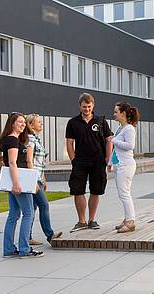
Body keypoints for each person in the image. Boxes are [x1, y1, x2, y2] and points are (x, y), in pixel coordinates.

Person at [66, 93, 113, 233]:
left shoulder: (100, 121)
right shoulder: (73, 122)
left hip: (98, 161)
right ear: (79, 106)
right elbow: (69, 143)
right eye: (84, 106)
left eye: (89, 106)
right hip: (80, 161)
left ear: (93, 106)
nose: (86, 109)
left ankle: (92, 220)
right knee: (77, 190)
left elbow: (109, 140)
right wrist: (73, 159)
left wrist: (108, 158)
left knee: (96, 190)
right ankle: (81, 221)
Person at [0, 112, 44, 258]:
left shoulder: (13, 140)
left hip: (17, 181)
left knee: (14, 214)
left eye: (24, 122)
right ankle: (24, 249)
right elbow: (12, 163)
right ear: (12, 124)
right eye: (19, 122)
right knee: (28, 213)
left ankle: (8, 249)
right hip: (19, 182)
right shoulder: (12, 140)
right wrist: (17, 183)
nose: (23, 124)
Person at [25, 114, 62, 245]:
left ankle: (28, 237)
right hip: (34, 179)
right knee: (44, 205)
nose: (41, 124)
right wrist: (34, 181)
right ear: (30, 124)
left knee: (33, 208)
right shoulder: (30, 140)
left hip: (39, 178)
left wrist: (44, 179)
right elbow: (29, 161)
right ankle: (50, 235)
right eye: (38, 122)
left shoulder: (37, 139)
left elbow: (40, 163)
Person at [107, 102, 140, 233]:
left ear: (123, 113)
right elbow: (116, 149)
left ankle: (130, 221)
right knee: (123, 194)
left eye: (116, 112)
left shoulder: (129, 129)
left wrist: (113, 140)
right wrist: (110, 161)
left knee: (125, 194)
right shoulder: (120, 128)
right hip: (119, 165)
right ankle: (127, 219)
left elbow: (130, 146)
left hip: (126, 166)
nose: (114, 114)